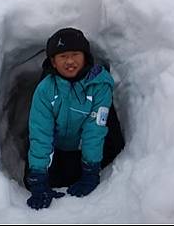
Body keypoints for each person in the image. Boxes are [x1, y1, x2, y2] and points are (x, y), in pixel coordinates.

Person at [24, 27, 115, 210]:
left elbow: (95, 130)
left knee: (79, 178)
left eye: (75, 54)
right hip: (57, 146)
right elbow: (41, 133)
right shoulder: (45, 90)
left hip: (84, 147)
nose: (70, 61)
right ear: (53, 62)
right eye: (63, 56)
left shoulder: (99, 85)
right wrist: (39, 175)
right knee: (34, 181)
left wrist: (91, 170)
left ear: (85, 57)